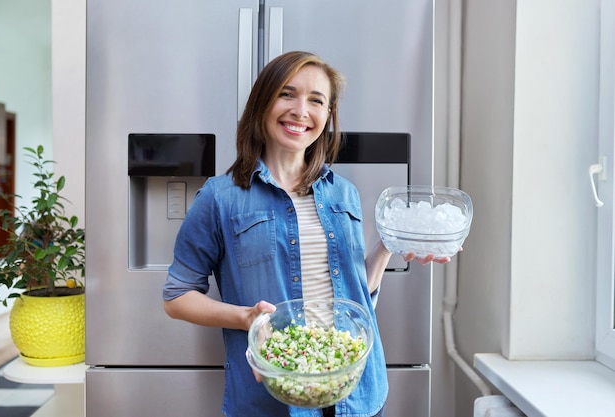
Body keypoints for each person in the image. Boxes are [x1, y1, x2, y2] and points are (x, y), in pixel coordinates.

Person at [163, 50, 451, 417]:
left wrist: (390, 246)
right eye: (287, 94)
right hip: (274, 399)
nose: (301, 111)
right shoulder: (220, 198)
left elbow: (355, 291)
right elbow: (176, 297)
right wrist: (246, 318)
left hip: (357, 391)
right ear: (262, 103)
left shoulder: (342, 192)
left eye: (317, 101)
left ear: (327, 117)